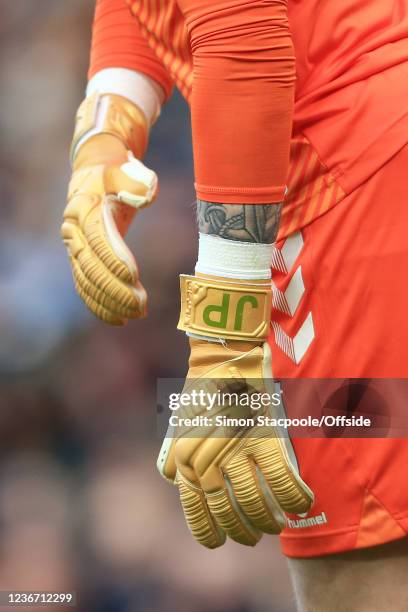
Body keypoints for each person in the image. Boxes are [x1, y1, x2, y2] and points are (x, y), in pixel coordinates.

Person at [62, 1, 408, 610]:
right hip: (370, 141)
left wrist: (226, 341)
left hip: (352, 167)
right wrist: (107, 126)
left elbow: (243, 34)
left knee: (361, 583)